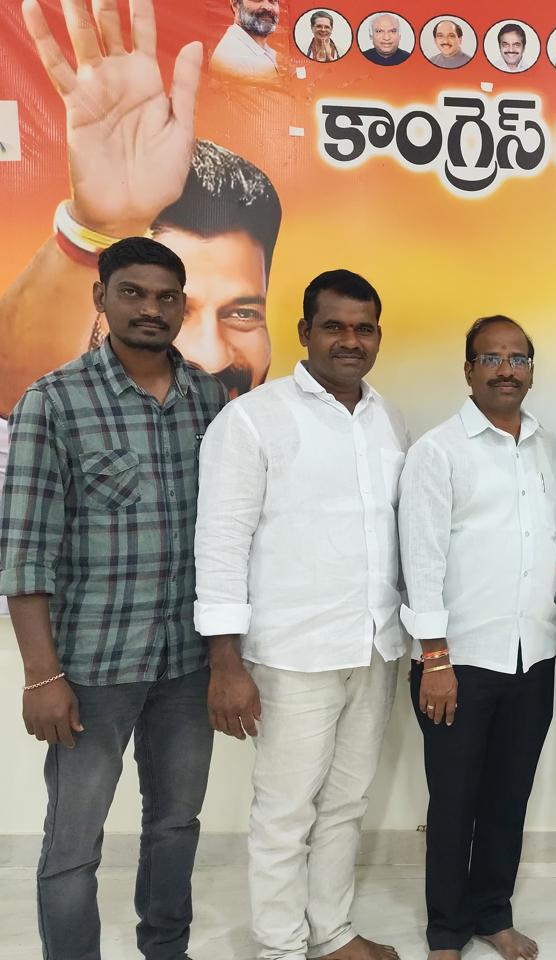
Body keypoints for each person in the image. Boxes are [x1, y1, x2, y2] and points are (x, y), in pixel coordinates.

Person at [2, 236, 227, 960]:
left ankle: (167, 949)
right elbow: (24, 553)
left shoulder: (210, 401)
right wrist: (42, 676)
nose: (150, 309)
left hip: (187, 665)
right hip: (92, 670)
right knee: (73, 843)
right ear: (100, 296)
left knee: (175, 825)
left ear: (182, 307)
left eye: (166, 297)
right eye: (133, 292)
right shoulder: (54, 402)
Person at [195, 270, 408, 960]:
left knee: (345, 804)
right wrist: (225, 661)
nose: (350, 340)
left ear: (378, 336)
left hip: (374, 647)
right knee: (285, 814)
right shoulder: (252, 420)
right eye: (334, 326)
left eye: (364, 328)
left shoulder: (386, 418)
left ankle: (331, 932)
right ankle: (281, 947)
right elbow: (221, 543)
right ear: (305, 332)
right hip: (292, 655)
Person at [4, 1, 282, 413]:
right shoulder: (62, 426)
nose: (212, 358)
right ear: (100, 302)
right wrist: (99, 226)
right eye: (170, 304)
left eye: (242, 314)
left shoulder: (281, 431)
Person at [399, 316, 556, 960]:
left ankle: (494, 914)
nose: (505, 369)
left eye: (518, 358)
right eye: (490, 358)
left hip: (532, 657)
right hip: (457, 662)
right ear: (468, 370)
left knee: (508, 798)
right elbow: (421, 560)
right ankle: (446, 932)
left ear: (531, 371)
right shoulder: (438, 451)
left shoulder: (544, 446)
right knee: (454, 802)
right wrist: (435, 659)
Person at [210, 0, 280, 79]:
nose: (267, 7)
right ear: (235, 5)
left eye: (273, 0)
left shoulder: (260, 50)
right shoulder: (233, 60)